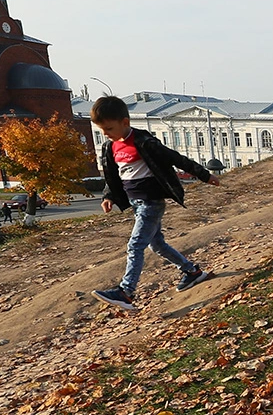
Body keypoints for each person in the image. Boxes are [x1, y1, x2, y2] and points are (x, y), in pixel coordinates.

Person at [89, 95, 220, 310]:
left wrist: (203, 174)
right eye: (102, 129)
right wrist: (108, 196)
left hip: (152, 202)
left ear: (125, 122)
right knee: (156, 244)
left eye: (109, 128)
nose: (105, 134)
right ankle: (192, 272)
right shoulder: (110, 147)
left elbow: (175, 158)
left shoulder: (144, 142)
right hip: (136, 203)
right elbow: (113, 176)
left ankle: (126, 292)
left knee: (135, 245)